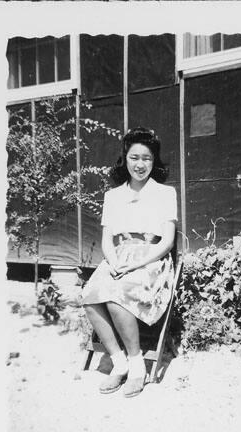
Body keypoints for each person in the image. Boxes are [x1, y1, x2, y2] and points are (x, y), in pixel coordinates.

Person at [81, 127, 177, 398]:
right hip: (118, 258)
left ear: (154, 160)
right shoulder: (113, 196)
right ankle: (119, 362)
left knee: (115, 296)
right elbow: (106, 242)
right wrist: (112, 263)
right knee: (89, 295)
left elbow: (166, 242)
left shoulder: (165, 193)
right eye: (135, 157)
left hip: (151, 259)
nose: (140, 164)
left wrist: (136, 264)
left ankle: (137, 367)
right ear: (125, 159)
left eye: (147, 158)